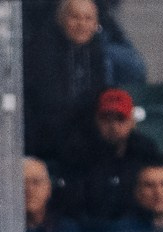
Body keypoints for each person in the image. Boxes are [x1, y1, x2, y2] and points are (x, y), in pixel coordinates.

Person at [59, 88, 163, 229]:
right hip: (91, 230)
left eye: (120, 119)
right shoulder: (80, 152)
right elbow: (74, 204)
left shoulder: (146, 151)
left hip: (138, 229)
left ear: (132, 121)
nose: (113, 126)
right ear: (96, 120)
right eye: (106, 119)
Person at [24, 0, 112, 165]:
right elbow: (48, 102)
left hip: (84, 133)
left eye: (88, 19)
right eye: (75, 18)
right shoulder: (41, 50)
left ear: (96, 24)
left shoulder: (96, 51)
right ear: (60, 19)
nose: (82, 24)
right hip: (47, 135)